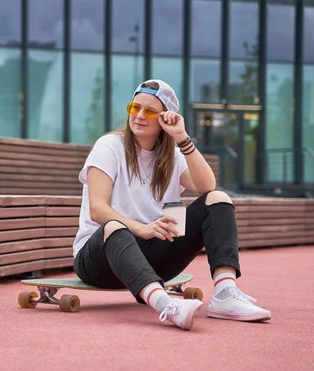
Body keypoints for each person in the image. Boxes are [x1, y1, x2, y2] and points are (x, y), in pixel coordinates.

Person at [72, 79, 272, 330]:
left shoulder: (173, 156)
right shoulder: (109, 146)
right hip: (100, 259)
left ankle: (225, 293)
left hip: (154, 260)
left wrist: (181, 137)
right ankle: (166, 305)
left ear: (166, 118)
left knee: (218, 199)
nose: (140, 116)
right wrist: (142, 228)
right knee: (114, 226)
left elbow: (207, 185)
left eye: (150, 111)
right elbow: (98, 209)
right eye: (135, 108)